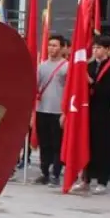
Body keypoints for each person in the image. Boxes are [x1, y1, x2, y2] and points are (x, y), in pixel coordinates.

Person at [85, 35, 110, 194]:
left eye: (98, 48)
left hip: (106, 113)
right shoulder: (90, 65)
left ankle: (102, 180)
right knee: (88, 145)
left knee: (103, 147)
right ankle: (86, 178)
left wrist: (91, 82)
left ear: (108, 50)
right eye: (94, 48)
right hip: (90, 111)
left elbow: (107, 91)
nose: (95, 50)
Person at [34, 34, 68, 187]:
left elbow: (70, 90)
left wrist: (65, 112)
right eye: (50, 45)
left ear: (62, 48)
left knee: (57, 144)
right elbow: (35, 87)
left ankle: (56, 173)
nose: (51, 48)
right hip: (42, 110)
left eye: (55, 45)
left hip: (58, 112)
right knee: (44, 143)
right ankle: (44, 172)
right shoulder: (42, 66)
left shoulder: (66, 66)